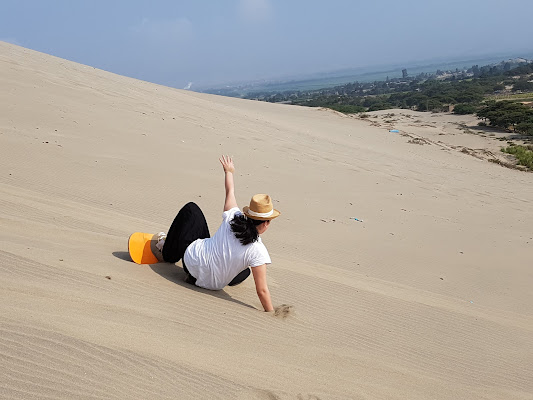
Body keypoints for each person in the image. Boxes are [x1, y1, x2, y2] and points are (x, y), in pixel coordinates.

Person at [154, 155, 280, 312]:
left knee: (192, 210)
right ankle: (221, 273)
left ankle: (167, 253)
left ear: (248, 214)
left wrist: (229, 171)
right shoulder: (258, 251)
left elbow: (230, 191)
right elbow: (262, 291)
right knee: (247, 268)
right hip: (213, 285)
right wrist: (271, 313)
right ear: (266, 223)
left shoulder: (233, 217)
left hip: (192, 266)